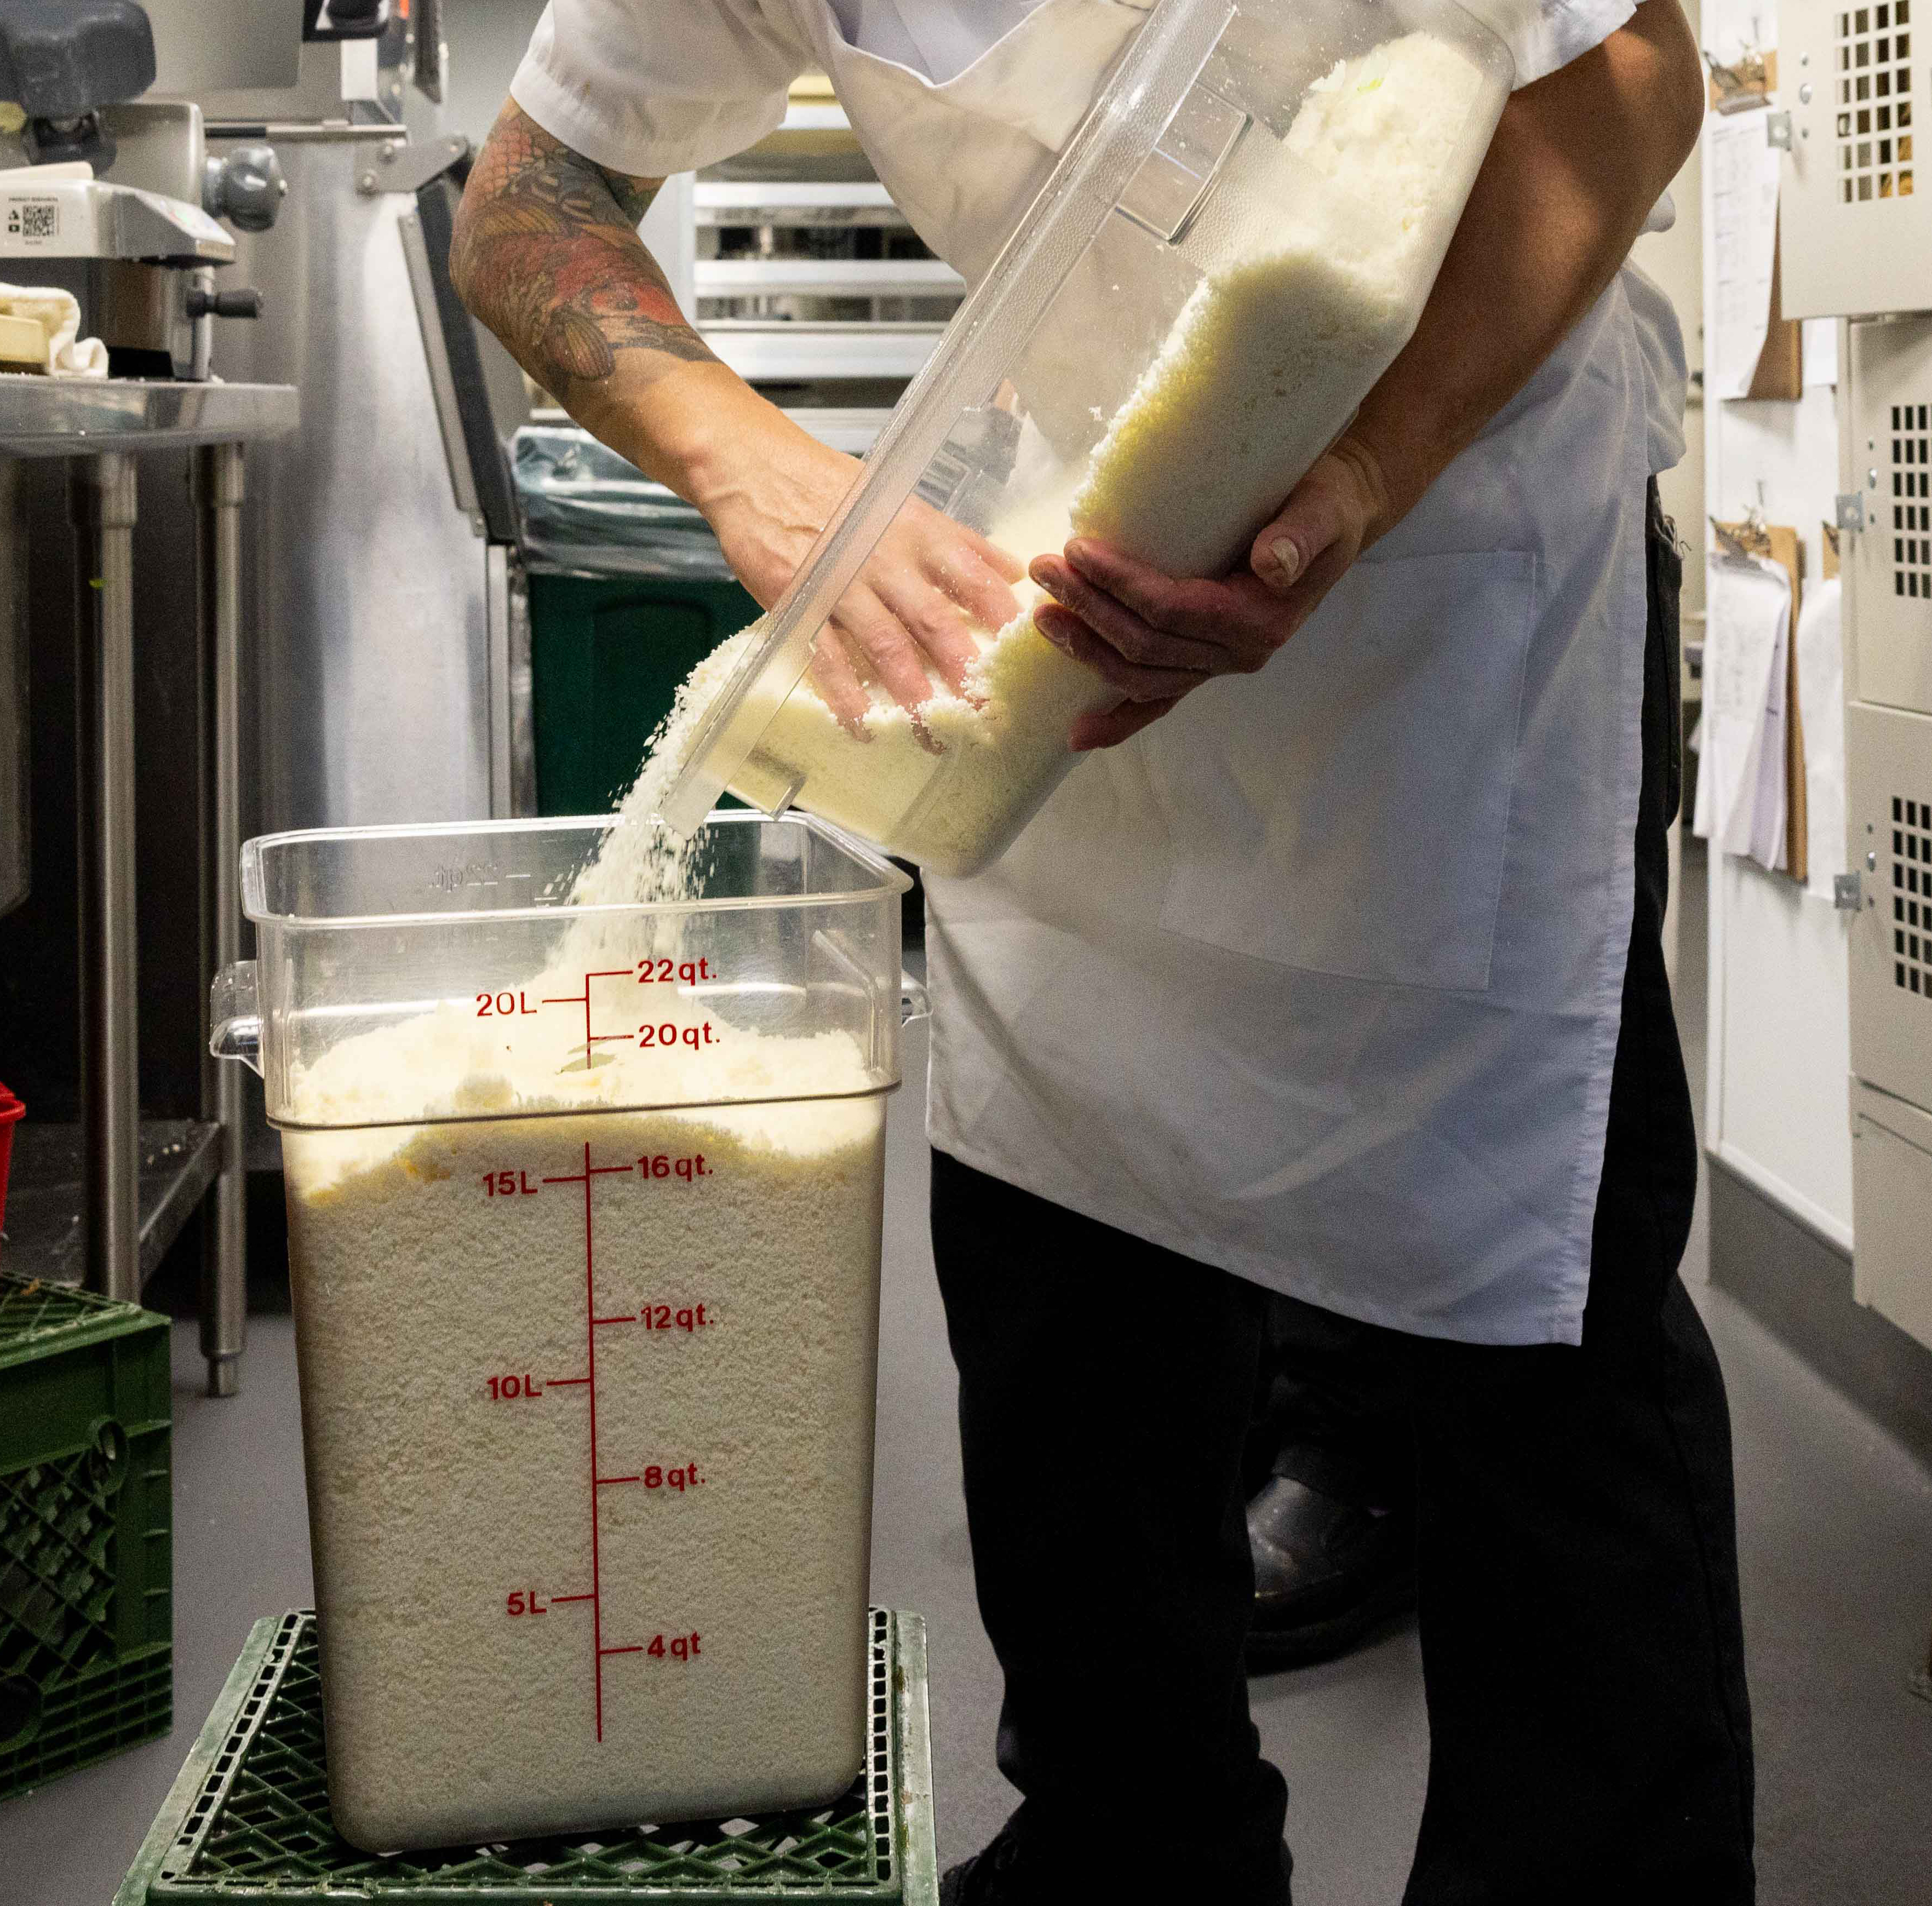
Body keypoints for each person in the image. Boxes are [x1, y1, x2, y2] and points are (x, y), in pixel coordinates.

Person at [453, 2, 1751, 1899]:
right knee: (1061, 1260)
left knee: (1527, 1318)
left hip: (1458, 565)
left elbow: (1630, 76)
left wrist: (1364, 481)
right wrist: (749, 466)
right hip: (1082, 546)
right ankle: (1135, 1843)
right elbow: (530, 194)